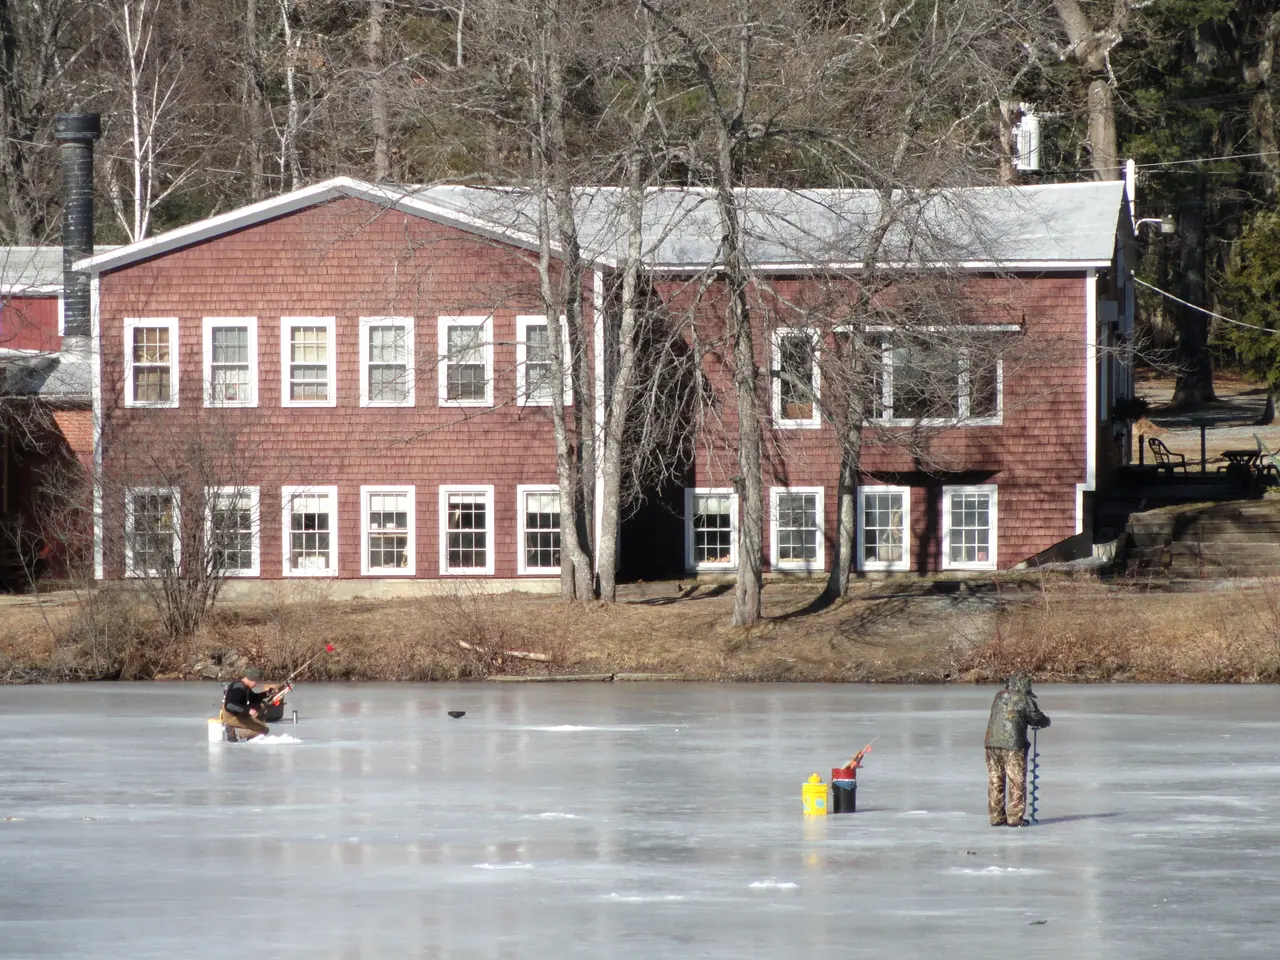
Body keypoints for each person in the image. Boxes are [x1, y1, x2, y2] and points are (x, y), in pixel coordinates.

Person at [984, 671, 1050, 827]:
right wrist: (1046, 721)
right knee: (1016, 781)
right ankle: (1015, 818)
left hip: (991, 744)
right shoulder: (1024, 699)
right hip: (1013, 746)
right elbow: (1036, 718)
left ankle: (996, 817)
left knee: (995, 780)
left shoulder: (999, 696)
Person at [219, 668, 275, 742]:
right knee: (264, 730)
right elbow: (230, 705)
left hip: (238, 713)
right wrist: (248, 710)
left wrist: (267, 693)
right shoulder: (239, 688)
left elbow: (254, 698)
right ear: (252, 679)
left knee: (261, 705)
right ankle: (237, 731)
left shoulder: (244, 686)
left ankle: (248, 731)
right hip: (232, 716)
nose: (256, 685)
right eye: (256, 682)